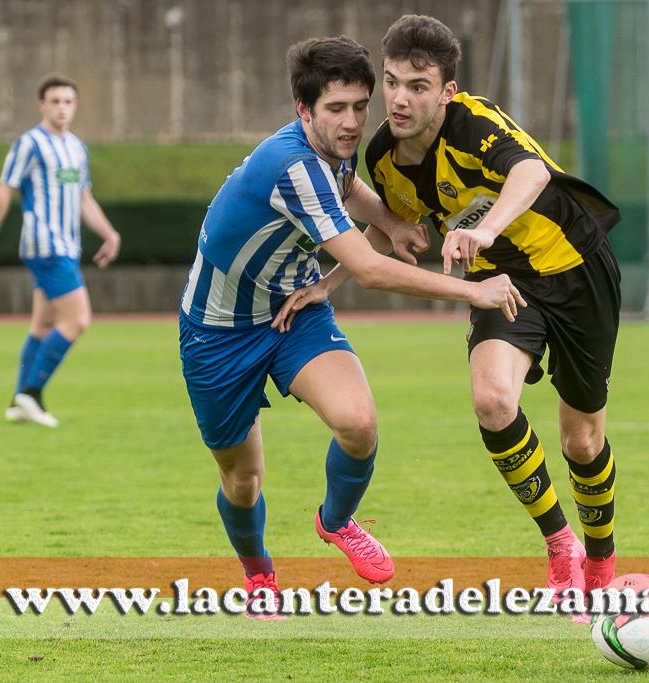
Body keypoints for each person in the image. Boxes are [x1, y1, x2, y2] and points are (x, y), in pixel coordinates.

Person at [276, 15, 623, 623]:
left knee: (581, 439)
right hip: (501, 286)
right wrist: (327, 286)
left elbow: (532, 172)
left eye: (417, 85)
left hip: (577, 269)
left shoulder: (474, 123)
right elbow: (390, 233)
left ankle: (601, 560)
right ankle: (560, 544)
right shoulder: (383, 156)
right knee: (493, 401)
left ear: (448, 91)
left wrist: (482, 229)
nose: (400, 99)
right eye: (392, 82)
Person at [178, 35, 524, 617]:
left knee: (358, 423)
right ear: (302, 109)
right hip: (218, 333)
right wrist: (475, 290)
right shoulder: (291, 165)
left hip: (295, 310)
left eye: (360, 106)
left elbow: (350, 189)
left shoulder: (334, 157)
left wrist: (391, 219)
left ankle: (334, 521)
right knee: (243, 481)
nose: (352, 122)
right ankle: (259, 573)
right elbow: (366, 267)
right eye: (335, 109)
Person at [0, 74, 121, 428]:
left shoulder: (76, 148)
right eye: (55, 101)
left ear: (76, 105)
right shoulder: (30, 144)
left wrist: (109, 233)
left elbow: (84, 198)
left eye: (68, 101)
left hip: (68, 244)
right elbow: (4, 191)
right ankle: (32, 393)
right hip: (45, 245)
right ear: (42, 105)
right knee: (78, 320)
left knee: (43, 324)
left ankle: (18, 399)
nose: (62, 108)